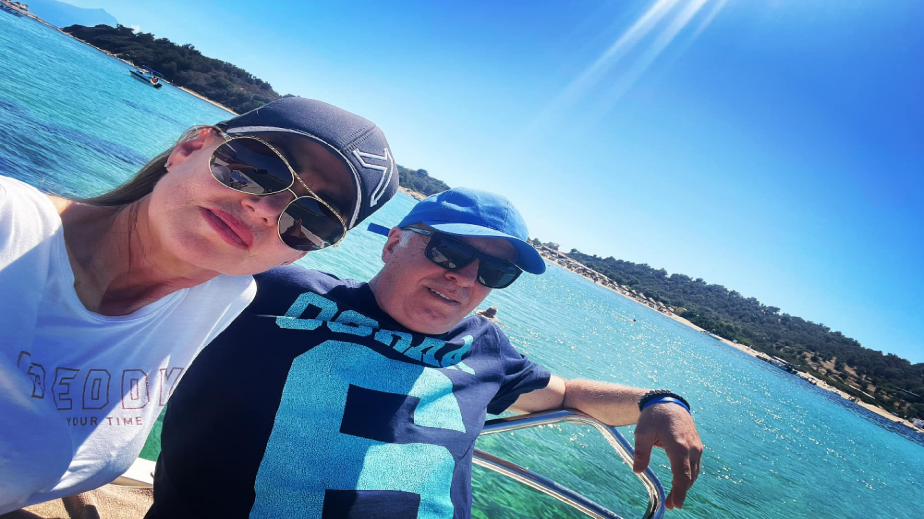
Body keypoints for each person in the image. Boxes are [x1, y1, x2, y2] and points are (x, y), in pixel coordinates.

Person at [146, 188, 703, 518]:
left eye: (494, 272)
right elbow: (139, 276)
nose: (465, 277)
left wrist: (661, 402)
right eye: (448, 251)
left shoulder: (486, 346)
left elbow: (565, 394)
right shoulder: (273, 289)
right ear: (393, 243)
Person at [0, 97, 398, 513]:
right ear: (188, 149)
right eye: (257, 167)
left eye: (314, 219)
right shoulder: (10, 225)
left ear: (298, 254)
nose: (265, 210)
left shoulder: (223, 299)